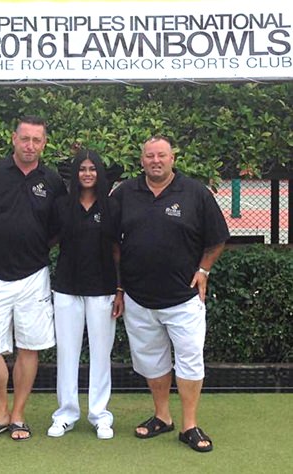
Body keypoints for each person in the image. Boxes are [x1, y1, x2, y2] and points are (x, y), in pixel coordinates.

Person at [111, 135, 230, 453]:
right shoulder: (125, 193)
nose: (155, 161)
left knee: (190, 361)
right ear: (142, 160)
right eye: (150, 156)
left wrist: (203, 270)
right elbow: (112, 242)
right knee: (152, 362)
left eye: (161, 155)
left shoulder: (195, 193)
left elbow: (217, 238)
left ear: (172, 158)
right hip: (138, 298)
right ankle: (162, 416)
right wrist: (121, 286)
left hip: (184, 297)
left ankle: (189, 424)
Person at [0, 116, 66, 441]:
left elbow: (57, 229)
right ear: (13, 139)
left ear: (44, 143)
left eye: (37, 140)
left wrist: (33, 248)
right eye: (25, 139)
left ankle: (18, 415)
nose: (30, 145)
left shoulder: (52, 180)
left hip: (34, 276)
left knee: (29, 348)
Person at [47, 149, 124, 440]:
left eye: (93, 169)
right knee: (67, 353)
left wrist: (120, 288)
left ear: (100, 173)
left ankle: (100, 415)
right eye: (82, 169)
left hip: (103, 289)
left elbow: (118, 250)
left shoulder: (113, 207)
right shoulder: (61, 205)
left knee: (101, 354)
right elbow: (49, 240)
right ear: (75, 173)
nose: (88, 173)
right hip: (66, 288)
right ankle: (65, 414)